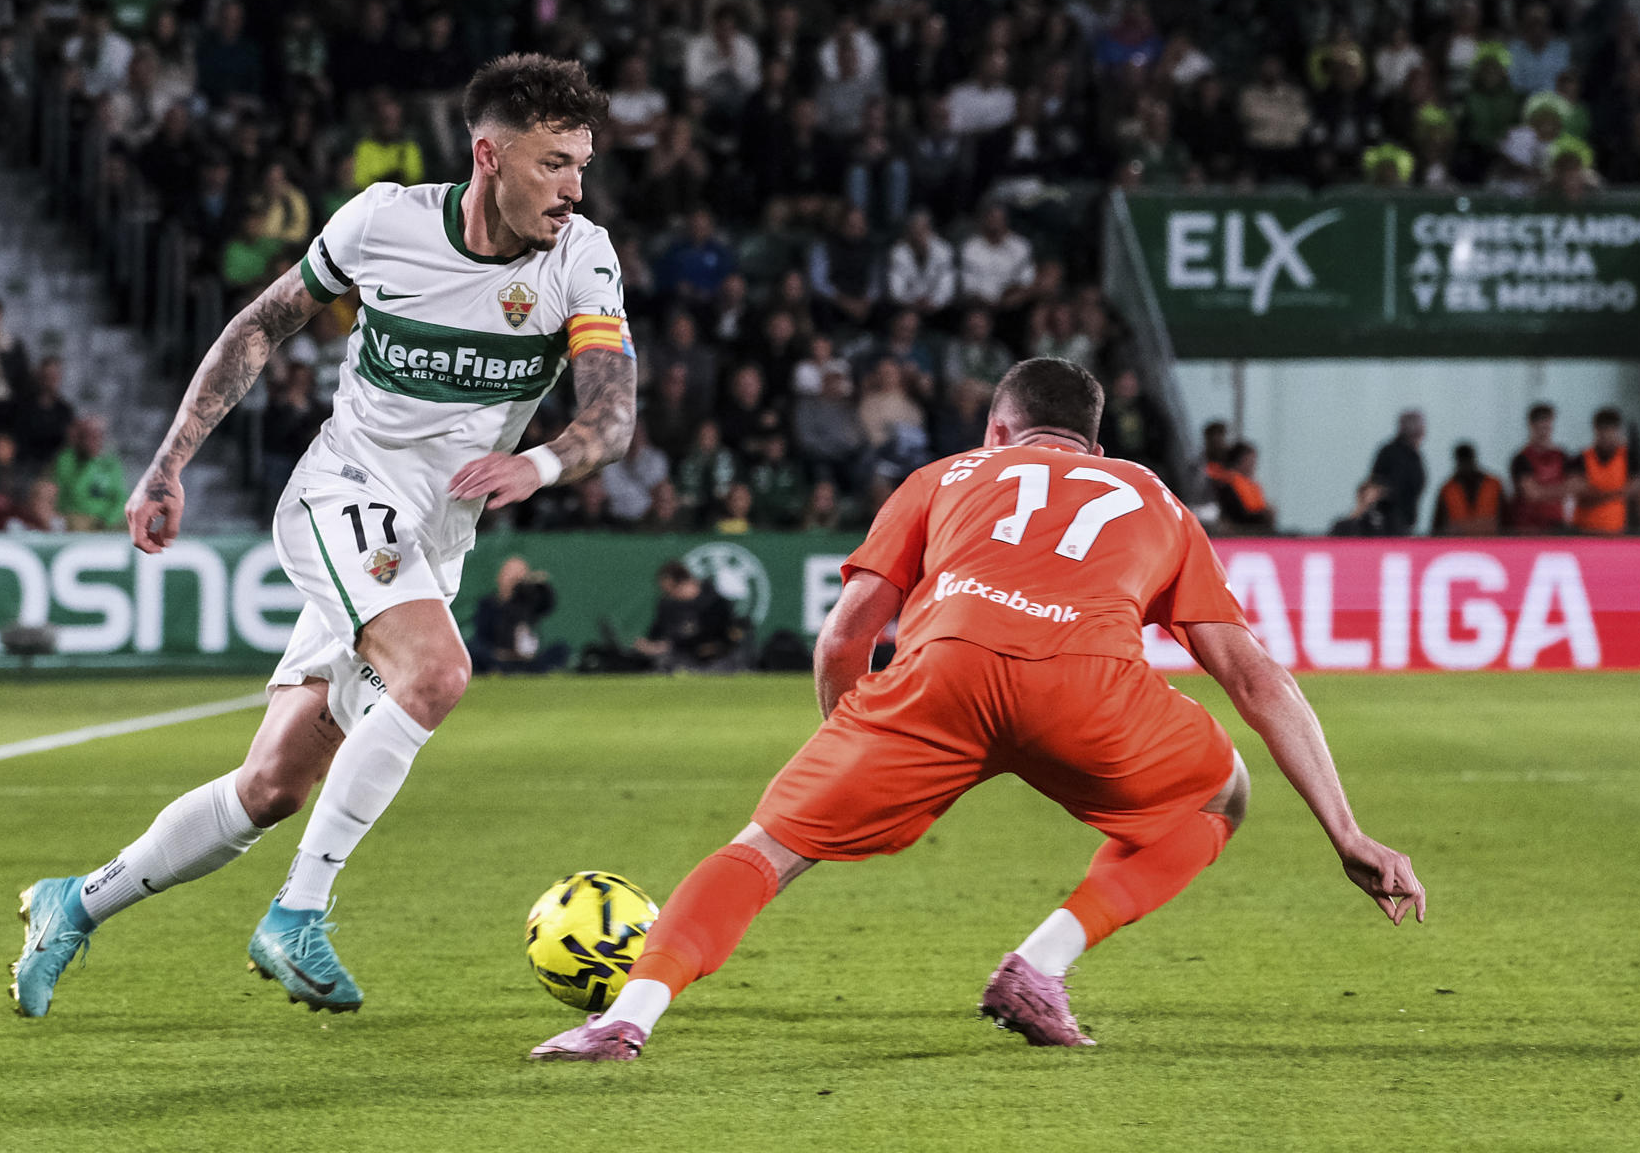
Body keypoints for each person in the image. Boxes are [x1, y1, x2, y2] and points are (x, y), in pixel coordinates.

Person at [532, 359, 1424, 1062]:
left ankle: (628, 1018)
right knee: (1220, 794)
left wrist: (850, 739)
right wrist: (1347, 832)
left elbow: (845, 637)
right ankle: (1041, 964)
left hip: (941, 678)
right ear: (1097, 446)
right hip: (1089, 690)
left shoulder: (948, 473)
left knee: (766, 849)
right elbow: (1253, 675)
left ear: (997, 429)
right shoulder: (1153, 496)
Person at [10, 54, 637, 1019]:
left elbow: (611, 416)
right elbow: (258, 328)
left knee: (270, 788)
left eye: (582, 165)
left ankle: (74, 904)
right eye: (554, 163)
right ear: (490, 156)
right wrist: (170, 460)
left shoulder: (581, 259)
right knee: (438, 675)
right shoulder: (383, 222)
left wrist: (541, 463)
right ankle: (297, 913)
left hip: (432, 539)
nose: (573, 189)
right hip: (342, 491)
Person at [632, 560, 746, 672]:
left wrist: (672, 645)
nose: (668, 594)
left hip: (716, 660)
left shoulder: (715, 602)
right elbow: (656, 634)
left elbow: (720, 638)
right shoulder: (667, 605)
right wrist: (650, 646)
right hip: (678, 661)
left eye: (670, 589)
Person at [470, 556, 569, 674]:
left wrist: (541, 585)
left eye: (519, 575)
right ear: (500, 577)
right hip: (499, 658)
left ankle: (529, 670)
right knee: (473, 649)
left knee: (561, 649)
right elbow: (481, 636)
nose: (514, 580)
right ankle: (500, 669)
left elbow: (547, 603)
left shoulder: (530, 601)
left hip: (529, 659)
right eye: (509, 575)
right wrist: (497, 654)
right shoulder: (488, 604)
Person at [1571, 407, 1640, 535]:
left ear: (1617, 431)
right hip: (1584, 531)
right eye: (1602, 430)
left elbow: (1637, 493)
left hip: (1617, 531)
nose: (1606, 436)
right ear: (1596, 430)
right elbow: (1580, 493)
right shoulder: (1582, 458)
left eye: (1610, 430)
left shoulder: (1629, 458)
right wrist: (1619, 493)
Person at [50, 416, 128, 531]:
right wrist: (90, 462)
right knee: (78, 524)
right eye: (89, 436)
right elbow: (75, 493)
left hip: (106, 515)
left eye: (98, 436)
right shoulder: (67, 459)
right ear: (80, 438)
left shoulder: (111, 463)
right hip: (78, 513)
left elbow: (120, 495)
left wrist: (109, 518)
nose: (94, 440)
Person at [1509, 402, 1572, 532]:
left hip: (1556, 524)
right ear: (1531, 427)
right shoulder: (1522, 458)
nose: (1544, 433)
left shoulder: (1562, 456)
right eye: (1540, 429)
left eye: (1547, 428)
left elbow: (1577, 487)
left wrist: (1542, 491)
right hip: (1528, 526)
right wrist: (1561, 490)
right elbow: (1531, 493)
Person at [1367, 411, 1426, 536]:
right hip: (1394, 524)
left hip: (1401, 521)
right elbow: (1394, 490)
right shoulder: (1400, 456)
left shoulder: (1407, 454)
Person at [1431, 443, 1504, 535]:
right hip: (1458, 545)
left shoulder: (1494, 485)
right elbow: (1437, 527)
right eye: (1463, 461)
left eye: (1467, 460)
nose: (1466, 465)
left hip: (1490, 544)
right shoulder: (1447, 489)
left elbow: (1507, 520)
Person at [1211, 441, 1274, 533]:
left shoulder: (1252, 484)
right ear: (1239, 461)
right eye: (1249, 461)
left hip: (1256, 524)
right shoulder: (1229, 481)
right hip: (1242, 527)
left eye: (1254, 461)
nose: (1253, 465)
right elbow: (1239, 513)